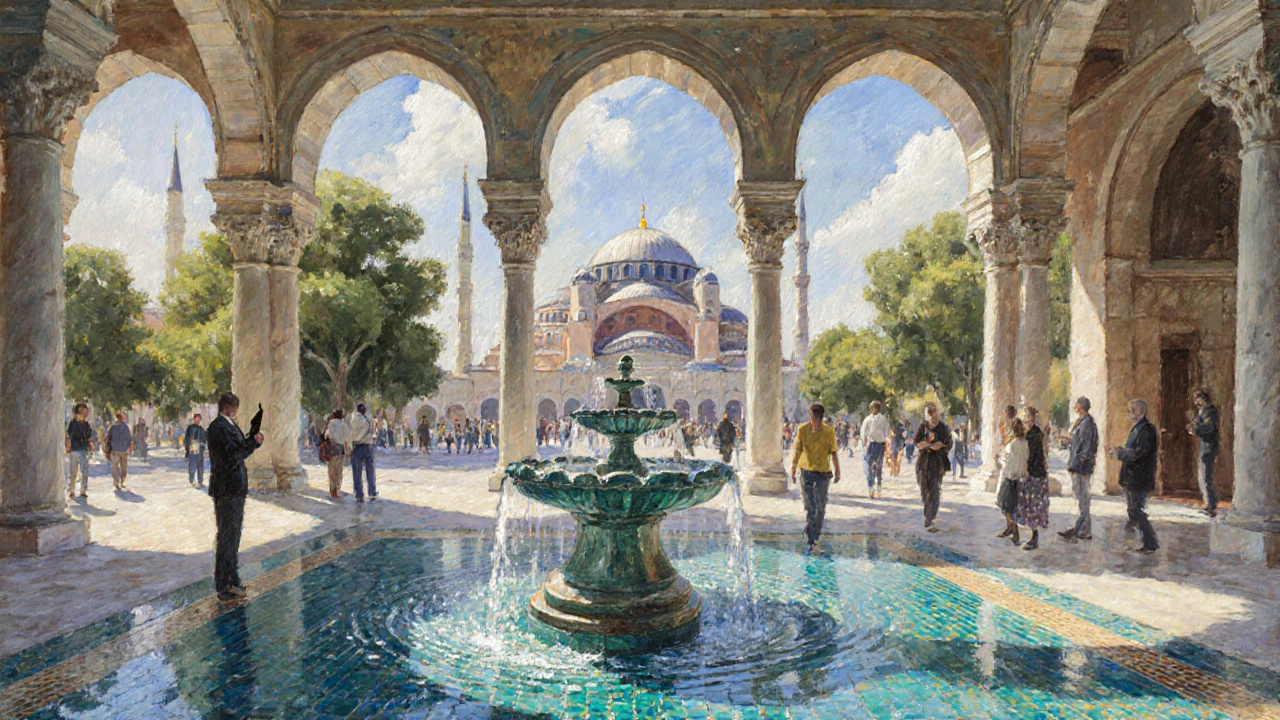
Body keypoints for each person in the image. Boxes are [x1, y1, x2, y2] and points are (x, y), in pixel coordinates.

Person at [207, 392, 263, 602]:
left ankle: (231, 579)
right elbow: (234, 454)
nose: (236, 411)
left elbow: (239, 448)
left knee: (232, 535)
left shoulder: (228, 425)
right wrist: (253, 444)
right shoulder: (219, 427)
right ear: (228, 407)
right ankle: (225, 584)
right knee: (227, 536)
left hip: (233, 488)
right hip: (227, 488)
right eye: (234, 407)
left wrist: (253, 441)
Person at [1109, 399, 1160, 554]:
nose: (1131, 412)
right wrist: (1121, 451)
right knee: (1133, 510)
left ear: (1142, 411)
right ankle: (1137, 538)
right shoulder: (1138, 428)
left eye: (1134, 409)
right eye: (1130, 410)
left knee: (1136, 510)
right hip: (1132, 477)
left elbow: (1139, 453)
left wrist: (1121, 453)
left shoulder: (1147, 430)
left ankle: (1150, 543)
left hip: (1139, 477)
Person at [789, 403, 840, 552]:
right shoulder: (803, 430)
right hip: (806, 471)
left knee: (820, 506)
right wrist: (793, 467)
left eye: (816, 417)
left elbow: (833, 452)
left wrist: (837, 470)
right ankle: (811, 536)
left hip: (823, 473)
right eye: (812, 416)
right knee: (809, 506)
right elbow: (798, 450)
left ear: (821, 417)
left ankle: (815, 536)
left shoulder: (829, 432)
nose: (814, 420)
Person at [1060, 396, 1098, 541]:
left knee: (1083, 498)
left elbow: (1087, 447)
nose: (1074, 407)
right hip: (1077, 464)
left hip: (1082, 467)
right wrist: (1068, 440)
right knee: (1081, 497)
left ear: (1080, 407)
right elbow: (1078, 442)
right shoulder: (1081, 422)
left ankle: (1081, 530)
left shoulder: (1088, 423)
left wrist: (1077, 464)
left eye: (1076, 404)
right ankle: (1083, 529)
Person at [913, 403, 952, 532]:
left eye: (932, 413)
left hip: (936, 462)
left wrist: (941, 446)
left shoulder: (943, 428)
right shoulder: (922, 427)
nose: (930, 416)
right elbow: (917, 441)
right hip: (923, 461)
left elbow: (948, 443)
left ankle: (929, 517)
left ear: (936, 413)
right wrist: (922, 445)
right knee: (924, 490)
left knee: (934, 491)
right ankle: (927, 511)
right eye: (928, 413)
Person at [1017, 407, 1050, 550]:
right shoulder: (1028, 433)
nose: (1026, 421)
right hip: (1031, 473)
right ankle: (1031, 535)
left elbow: (1035, 455)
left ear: (1033, 418)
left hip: (1035, 474)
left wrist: (1026, 468)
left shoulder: (1035, 435)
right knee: (1029, 505)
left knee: (1034, 506)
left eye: (1028, 418)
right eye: (1024, 418)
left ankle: (1034, 538)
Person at [1187, 389, 1220, 517]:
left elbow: (1208, 429)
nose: (1195, 402)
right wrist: (1194, 423)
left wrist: (1195, 427)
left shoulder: (1210, 411)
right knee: (1203, 474)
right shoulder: (1204, 411)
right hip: (1205, 446)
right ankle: (1207, 502)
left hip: (1208, 446)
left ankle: (1210, 504)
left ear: (1202, 398)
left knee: (1206, 475)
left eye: (1197, 399)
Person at [996, 418, 1027, 544]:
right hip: (1019, 478)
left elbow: (1010, 463)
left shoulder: (1012, 444)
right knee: (1012, 506)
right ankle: (1011, 530)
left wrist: (1000, 461)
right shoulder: (1024, 443)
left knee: (1005, 506)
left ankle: (1015, 532)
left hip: (1010, 478)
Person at [860, 401, 891, 498]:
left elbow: (887, 433)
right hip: (871, 444)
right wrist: (863, 443)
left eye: (875, 408)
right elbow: (863, 432)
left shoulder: (883, 419)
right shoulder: (868, 419)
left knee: (878, 467)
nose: (874, 410)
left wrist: (886, 443)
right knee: (870, 467)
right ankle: (871, 488)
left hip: (880, 445)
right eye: (873, 408)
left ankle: (878, 487)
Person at [65, 403, 95, 499]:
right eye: (84, 411)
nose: (86, 414)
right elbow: (68, 436)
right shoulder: (72, 423)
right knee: (73, 471)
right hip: (74, 449)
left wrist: (91, 445)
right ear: (79, 412)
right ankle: (72, 490)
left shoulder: (86, 424)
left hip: (83, 449)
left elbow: (89, 437)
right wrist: (67, 446)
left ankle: (83, 490)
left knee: (84, 471)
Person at [349, 402, 377, 502]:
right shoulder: (369, 419)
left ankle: (359, 494)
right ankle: (372, 492)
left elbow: (351, 434)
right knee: (370, 470)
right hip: (367, 446)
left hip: (356, 446)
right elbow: (373, 432)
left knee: (357, 472)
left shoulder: (353, 419)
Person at [324, 408, 350, 499]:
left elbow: (326, 435)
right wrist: (349, 449)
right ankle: (337, 490)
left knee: (332, 471)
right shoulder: (344, 425)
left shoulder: (331, 424)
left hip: (333, 449)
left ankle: (332, 490)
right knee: (339, 471)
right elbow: (347, 439)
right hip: (341, 449)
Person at [106, 411, 133, 490]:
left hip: (121, 450)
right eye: (120, 417)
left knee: (120, 468)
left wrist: (129, 448)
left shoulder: (117, 427)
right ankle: (118, 481)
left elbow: (129, 439)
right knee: (118, 467)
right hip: (118, 450)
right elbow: (108, 438)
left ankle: (120, 481)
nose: (121, 419)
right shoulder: (117, 427)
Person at [184, 413, 208, 487]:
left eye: (199, 419)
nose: (197, 420)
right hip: (192, 450)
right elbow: (187, 438)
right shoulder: (190, 428)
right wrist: (187, 448)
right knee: (192, 466)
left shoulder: (202, 429)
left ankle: (200, 481)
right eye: (196, 419)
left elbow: (204, 440)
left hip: (199, 450)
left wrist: (203, 447)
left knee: (200, 466)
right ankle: (192, 480)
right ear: (194, 419)